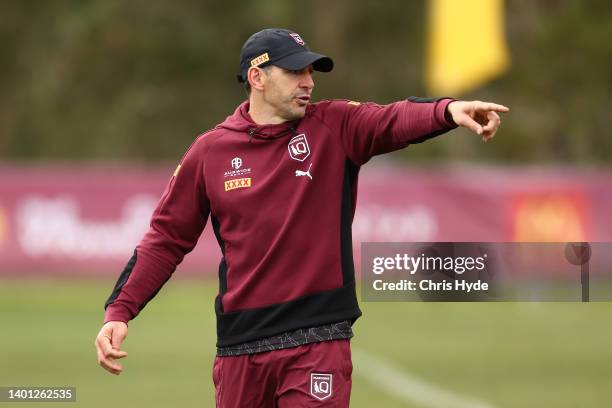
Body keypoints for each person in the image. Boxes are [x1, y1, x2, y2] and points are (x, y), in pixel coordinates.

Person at [95, 28, 509, 407]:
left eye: (311, 71)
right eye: (295, 71)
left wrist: (448, 110)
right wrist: (119, 312)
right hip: (240, 347)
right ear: (257, 77)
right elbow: (165, 240)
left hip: (319, 341)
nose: (308, 81)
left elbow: (393, 118)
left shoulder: (335, 125)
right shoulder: (210, 152)